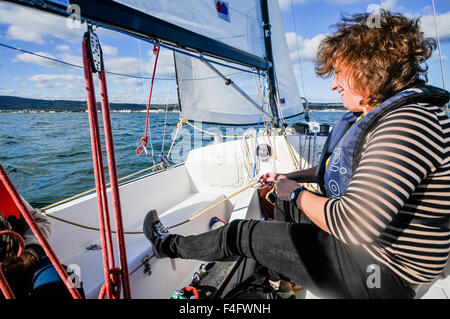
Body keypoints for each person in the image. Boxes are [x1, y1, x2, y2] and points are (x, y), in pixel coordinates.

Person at [143, 11, 450, 298]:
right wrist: (289, 181)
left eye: (339, 73)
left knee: (242, 233)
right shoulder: (401, 114)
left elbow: (354, 224)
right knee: (281, 201)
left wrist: (298, 192)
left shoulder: (406, 124)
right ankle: (280, 282)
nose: (333, 85)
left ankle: (166, 246)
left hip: (386, 273)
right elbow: (336, 169)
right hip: (378, 250)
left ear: (368, 69)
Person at [0, 183, 84, 299]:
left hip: (21, 263)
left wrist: (30, 254)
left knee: (69, 279)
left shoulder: (3, 188)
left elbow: (38, 221)